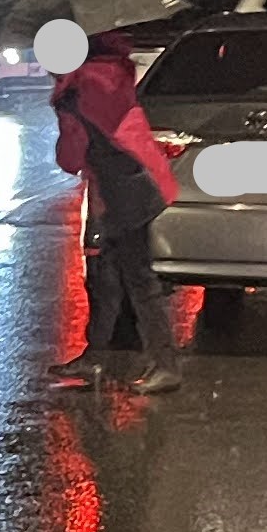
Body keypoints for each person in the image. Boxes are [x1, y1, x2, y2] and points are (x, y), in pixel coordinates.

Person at [50, 32, 182, 394]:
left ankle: (166, 365)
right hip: (135, 179)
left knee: (137, 281)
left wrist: (62, 107)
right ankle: (96, 357)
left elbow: (70, 158)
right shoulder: (107, 74)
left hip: (125, 188)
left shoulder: (77, 92)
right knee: (107, 276)